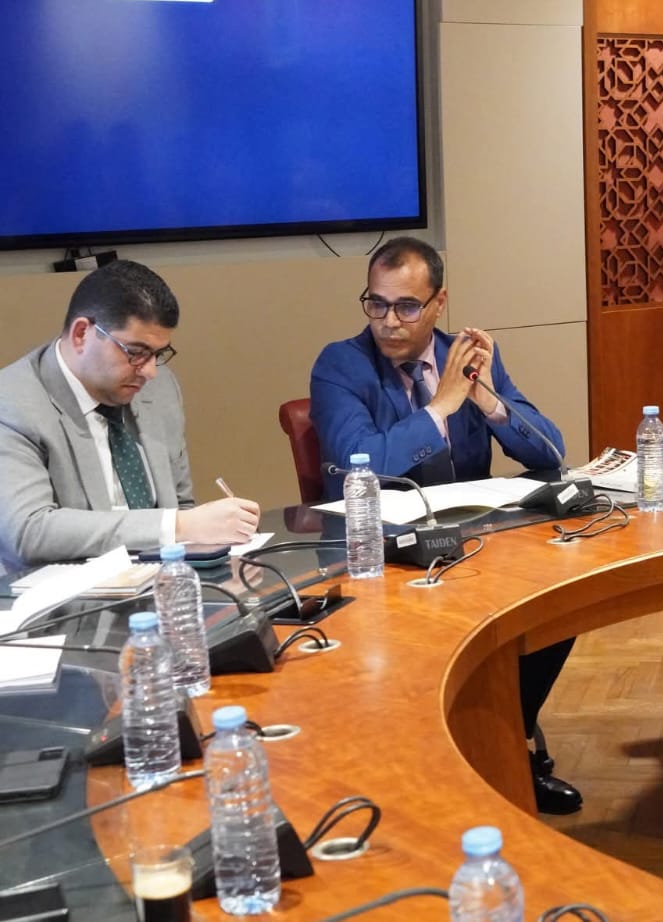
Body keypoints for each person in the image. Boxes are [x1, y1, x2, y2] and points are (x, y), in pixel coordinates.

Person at [309, 237, 581, 815]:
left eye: (407, 306)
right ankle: (438, 763)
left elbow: (550, 450)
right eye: (377, 303)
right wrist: (440, 409)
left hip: (472, 543)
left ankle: (507, 747)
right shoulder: (341, 364)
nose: (389, 321)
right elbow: (362, 463)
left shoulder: (467, 357)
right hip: (381, 554)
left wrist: (487, 400)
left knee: (558, 603)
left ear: (439, 303)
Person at [0, 260, 260, 573]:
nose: (150, 371)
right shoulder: (13, 402)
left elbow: (181, 504)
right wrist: (178, 525)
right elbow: (29, 530)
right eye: (135, 352)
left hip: (162, 582)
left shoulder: (160, 390)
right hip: (62, 594)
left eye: (158, 354)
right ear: (82, 334)